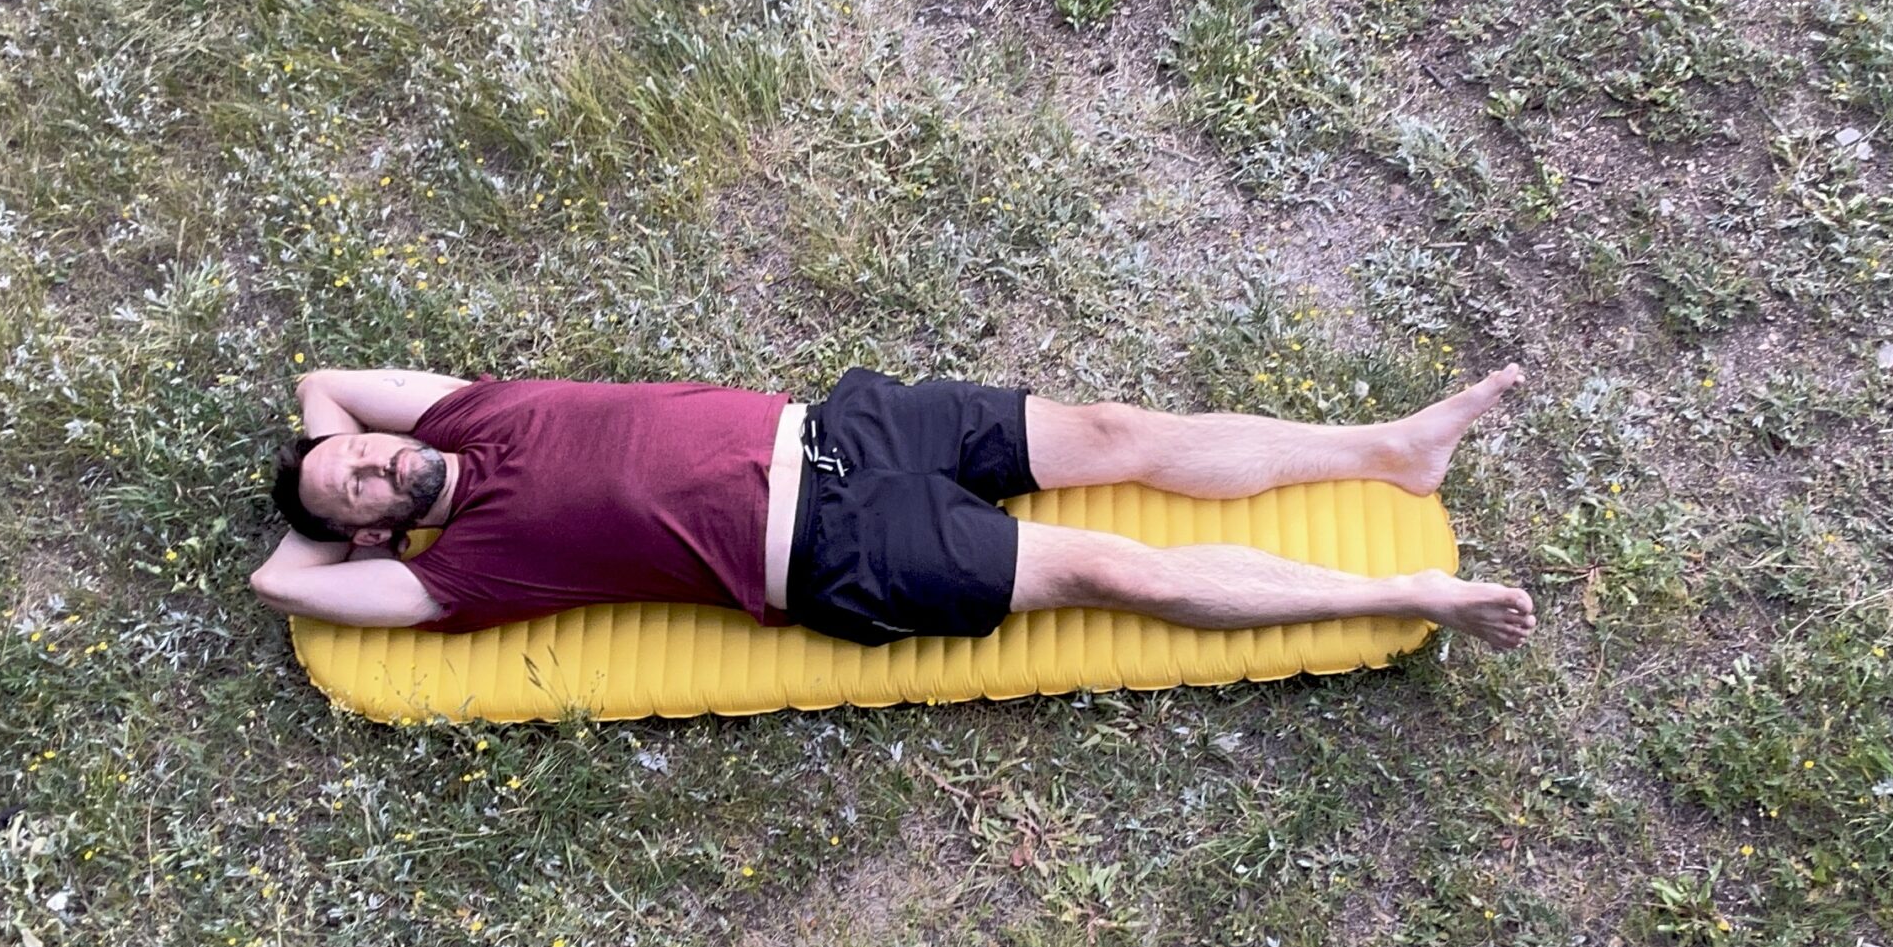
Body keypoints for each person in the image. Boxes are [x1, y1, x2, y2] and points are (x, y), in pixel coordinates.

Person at [251, 364, 1537, 651]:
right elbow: (281, 585)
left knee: (1116, 435)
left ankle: (1391, 451)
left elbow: (323, 378)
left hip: (843, 430)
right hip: (835, 550)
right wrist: (321, 526)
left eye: (354, 453)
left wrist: (325, 439)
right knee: (1109, 568)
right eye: (354, 490)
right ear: (371, 528)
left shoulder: (464, 412)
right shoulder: (464, 569)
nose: (366, 465)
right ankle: (1412, 595)